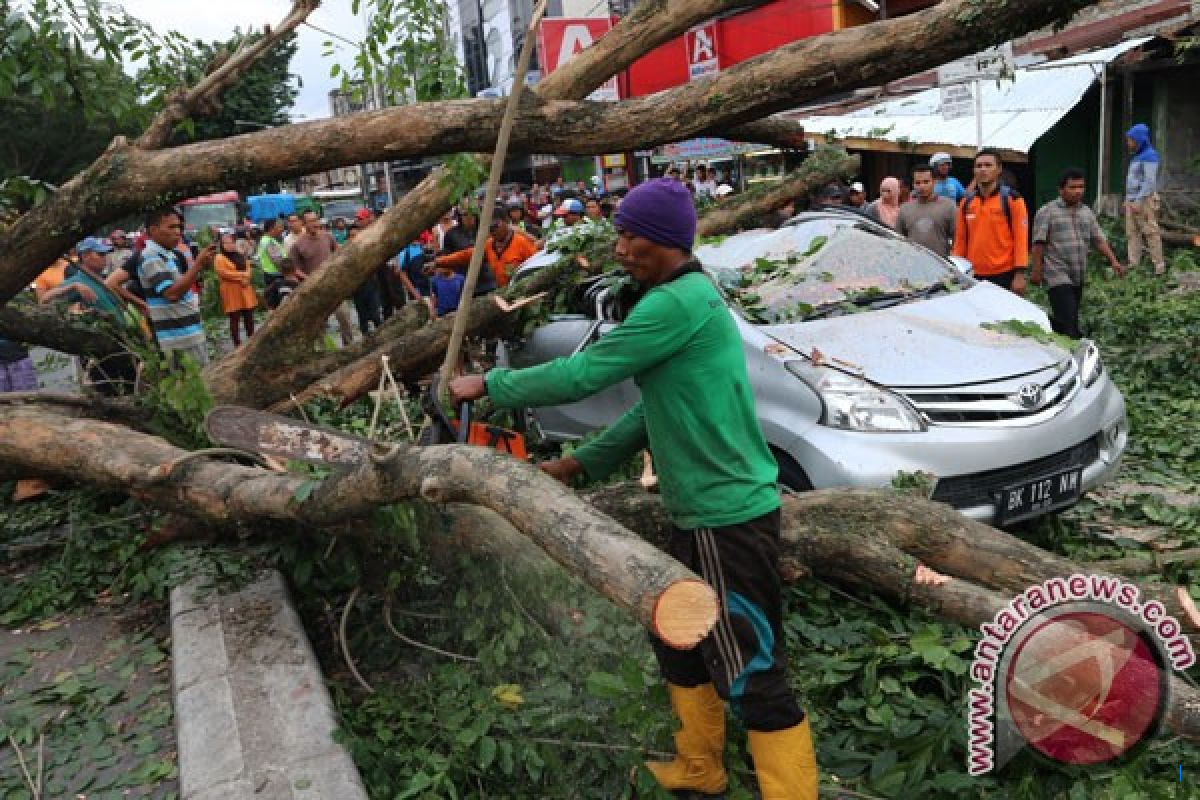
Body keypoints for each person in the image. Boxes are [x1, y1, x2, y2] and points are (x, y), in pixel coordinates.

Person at [447, 177, 817, 799]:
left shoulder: (674, 304)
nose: (619, 249)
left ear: (665, 240)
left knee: (751, 667)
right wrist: (579, 464)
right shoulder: (685, 296)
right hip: (697, 511)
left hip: (727, 517)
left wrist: (490, 384)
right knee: (680, 640)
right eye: (617, 234)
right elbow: (652, 410)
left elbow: (585, 373)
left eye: (629, 235)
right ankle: (701, 769)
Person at [1031, 169, 1124, 339]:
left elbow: (1098, 239)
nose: (1078, 191)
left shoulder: (1086, 212)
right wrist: (1037, 270)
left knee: (1068, 317)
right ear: (1061, 190)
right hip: (1056, 273)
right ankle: (1071, 345)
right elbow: (1038, 243)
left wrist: (1114, 261)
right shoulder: (1047, 212)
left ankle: (1049, 329)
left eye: (1081, 187)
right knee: (1069, 317)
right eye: (1072, 187)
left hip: (1078, 273)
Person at [137, 207, 214, 367]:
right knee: (190, 381)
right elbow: (171, 294)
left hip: (189, 335)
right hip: (178, 342)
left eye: (179, 227)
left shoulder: (170, 254)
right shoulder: (151, 256)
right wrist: (197, 264)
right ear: (153, 230)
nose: (178, 232)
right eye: (171, 227)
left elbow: (182, 288)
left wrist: (202, 266)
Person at [952, 149, 1030, 294]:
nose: (983, 169)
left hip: (1004, 273)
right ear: (974, 171)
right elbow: (960, 240)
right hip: (973, 274)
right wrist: (958, 270)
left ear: (999, 169)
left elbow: (1021, 238)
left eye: (988, 165)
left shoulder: (1013, 199)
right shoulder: (966, 202)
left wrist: (1019, 274)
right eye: (979, 166)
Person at [288, 210, 354, 344]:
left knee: (344, 317)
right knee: (318, 324)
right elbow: (294, 269)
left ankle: (348, 346)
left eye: (316, 220)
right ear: (304, 224)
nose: (315, 223)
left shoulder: (327, 236)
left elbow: (339, 253)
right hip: (314, 289)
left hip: (333, 285)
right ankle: (322, 349)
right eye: (311, 221)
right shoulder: (298, 245)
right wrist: (309, 279)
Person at [436, 207, 538, 289]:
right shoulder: (489, 244)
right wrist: (438, 262)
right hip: (501, 292)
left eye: (495, 226)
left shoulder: (521, 242)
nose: (493, 231)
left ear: (506, 221)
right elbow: (465, 255)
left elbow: (537, 266)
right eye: (489, 228)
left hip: (524, 290)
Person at [1124, 123, 1167, 276]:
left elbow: (1149, 182)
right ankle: (1134, 265)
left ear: (1139, 139)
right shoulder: (1136, 156)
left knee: (1150, 232)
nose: (1128, 143)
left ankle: (1159, 269)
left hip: (1144, 200)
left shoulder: (1150, 156)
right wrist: (1129, 200)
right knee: (1132, 233)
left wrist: (1138, 201)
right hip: (1132, 200)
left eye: (1130, 140)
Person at [896, 166, 957, 257]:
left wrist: (952, 257)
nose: (922, 186)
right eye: (918, 183)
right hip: (912, 261)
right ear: (913, 184)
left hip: (940, 262)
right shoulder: (904, 209)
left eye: (926, 182)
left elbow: (958, 238)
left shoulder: (949, 206)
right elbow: (898, 241)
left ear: (934, 182)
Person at [440, 207, 498, 295]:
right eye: (465, 214)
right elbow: (447, 258)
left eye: (472, 214)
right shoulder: (451, 234)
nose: (469, 217)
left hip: (488, 280)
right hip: (464, 281)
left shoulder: (486, 231)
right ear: (460, 216)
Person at [214, 232, 258, 347]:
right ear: (221, 245)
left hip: (245, 289)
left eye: (231, 242)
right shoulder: (219, 257)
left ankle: (252, 341)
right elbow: (223, 273)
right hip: (231, 292)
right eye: (226, 243)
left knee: (249, 317)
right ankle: (237, 345)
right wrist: (242, 276)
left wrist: (247, 277)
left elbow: (248, 268)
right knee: (234, 318)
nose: (229, 245)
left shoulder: (240, 255)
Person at [257, 218, 289, 282]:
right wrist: (288, 272)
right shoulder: (269, 242)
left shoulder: (268, 239)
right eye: (279, 227)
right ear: (271, 228)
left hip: (272, 274)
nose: (282, 229)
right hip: (275, 275)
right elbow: (278, 261)